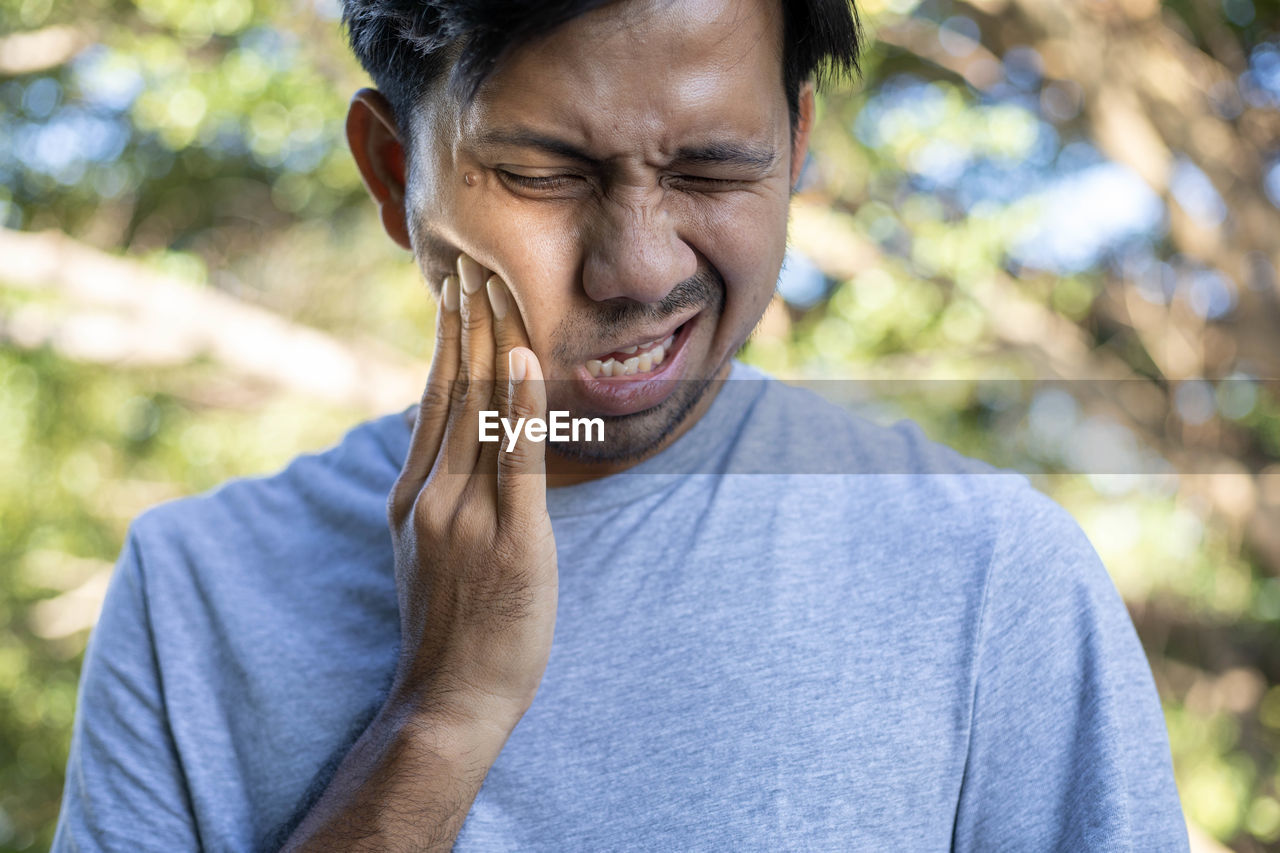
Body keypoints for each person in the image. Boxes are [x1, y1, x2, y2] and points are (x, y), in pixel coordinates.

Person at [53, 0, 1190, 849]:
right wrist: (440, 714)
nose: (639, 268)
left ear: (793, 146)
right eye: (546, 172)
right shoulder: (195, 589)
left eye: (710, 170)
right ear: (393, 170)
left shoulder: (991, 574)